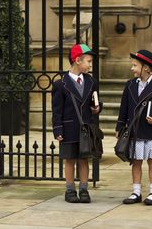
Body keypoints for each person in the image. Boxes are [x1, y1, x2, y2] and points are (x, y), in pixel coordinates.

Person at [116, 50, 152, 206]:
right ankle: (136, 192)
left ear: (146, 68)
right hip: (134, 131)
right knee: (136, 161)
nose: (132, 68)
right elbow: (124, 108)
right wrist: (120, 126)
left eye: (135, 65)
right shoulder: (129, 85)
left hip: (150, 131)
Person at [52, 43, 102, 203]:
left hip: (85, 127)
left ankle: (84, 189)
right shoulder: (61, 84)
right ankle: (69, 189)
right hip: (68, 128)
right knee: (70, 159)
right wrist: (58, 129)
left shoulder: (91, 81)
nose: (90, 64)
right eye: (89, 61)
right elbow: (57, 110)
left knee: (83, 159)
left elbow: (95, 101)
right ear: (78, 60)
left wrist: (97, 108)